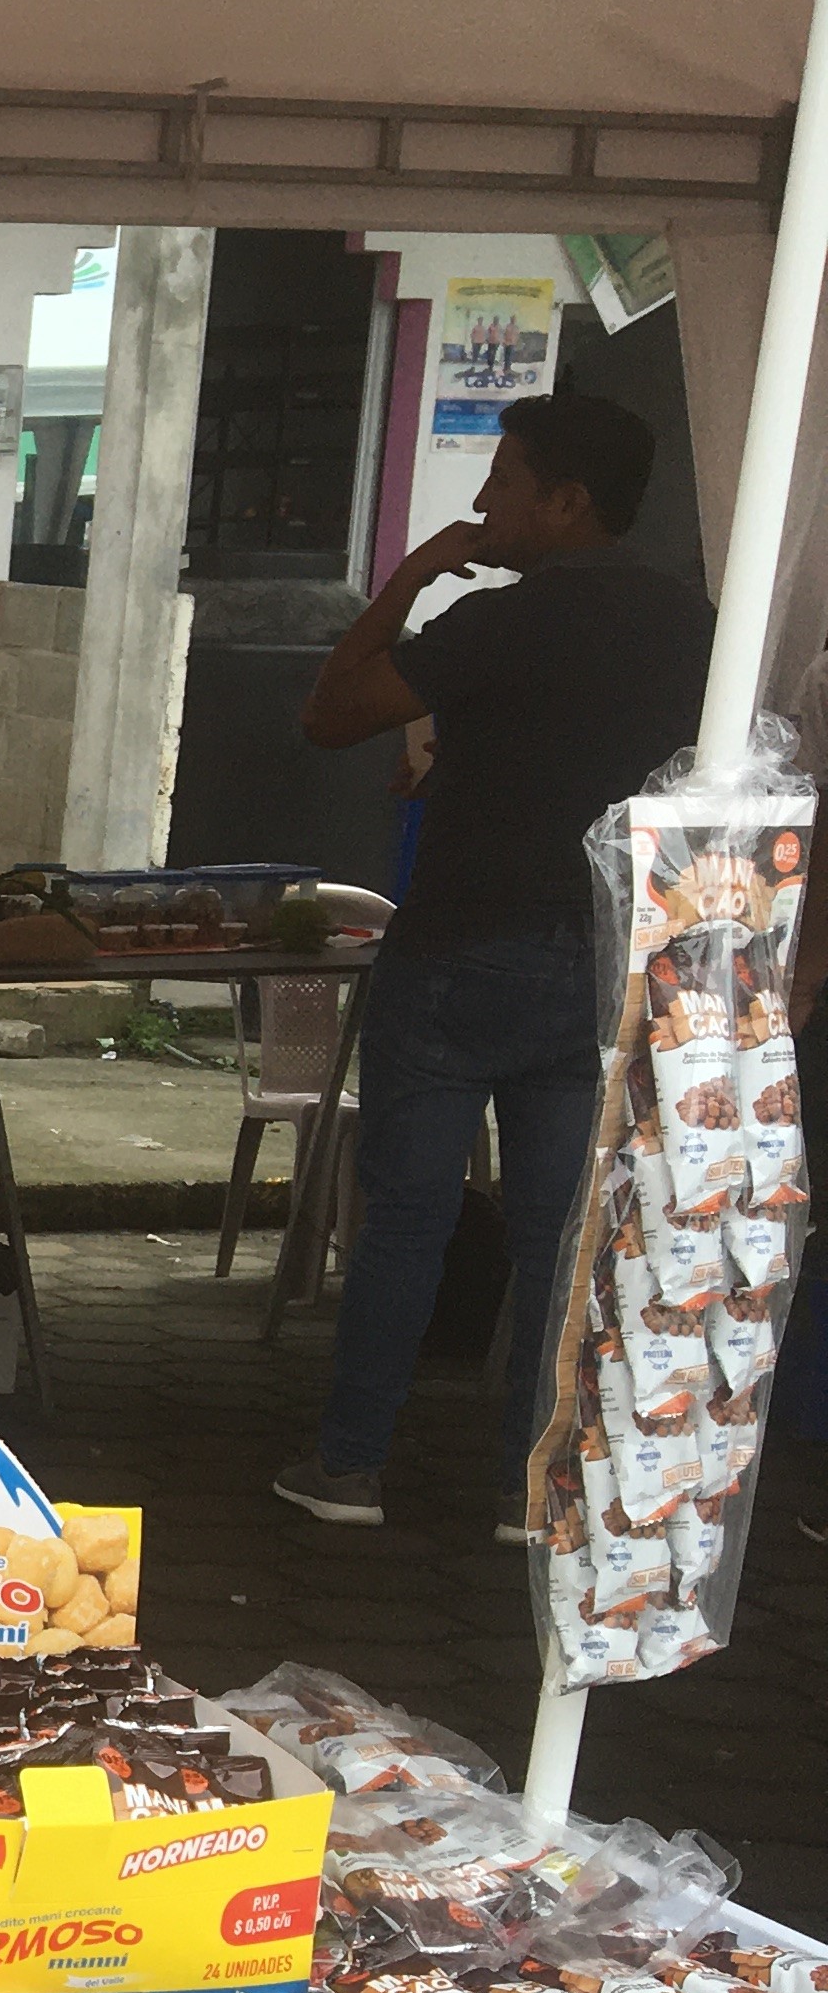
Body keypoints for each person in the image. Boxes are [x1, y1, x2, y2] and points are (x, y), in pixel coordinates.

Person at [278, 387, 712, 1536]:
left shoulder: (507, 618)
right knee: (557, 1236)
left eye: (505, 481)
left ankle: (349, 1468)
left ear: (568, 502)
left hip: (464, 949)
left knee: (407, 1217)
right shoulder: (697, 625)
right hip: (606, 959)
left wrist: (414, 573)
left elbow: (332, 712)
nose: (483, 502)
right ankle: (534, 1487)